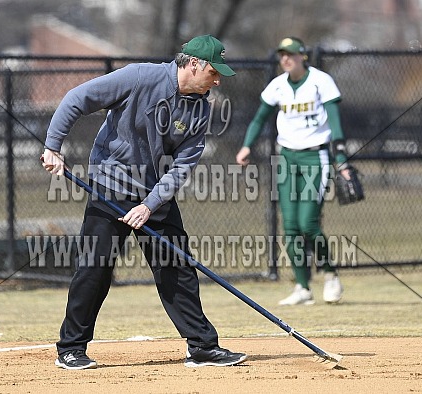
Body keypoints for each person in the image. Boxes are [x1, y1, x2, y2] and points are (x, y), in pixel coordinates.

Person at [42, 34, 247, 369]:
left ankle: (202, 347)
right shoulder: (139, 77)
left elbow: (182, 167)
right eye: (213, 70)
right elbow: (77, 98)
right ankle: (71, 348)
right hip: (112, 186)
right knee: (95, 266)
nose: (218, 78)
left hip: (155, 197)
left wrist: (149, 205)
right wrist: (53, 146)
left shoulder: (200, 109)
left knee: (177, 268)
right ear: (193, 65)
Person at [236, 37, 349, 306]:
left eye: (291, 54)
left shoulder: (321, 81)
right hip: (286, 158)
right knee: (289, 227)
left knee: (308, 223)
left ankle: (330, 274)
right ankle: (302, 287)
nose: (286, 59)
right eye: (282, 55)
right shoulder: (278, 85)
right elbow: (259, 118)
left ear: (303, 56)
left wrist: (341, 157)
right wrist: (246, 146)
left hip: (315, 156)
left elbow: (335, 120)